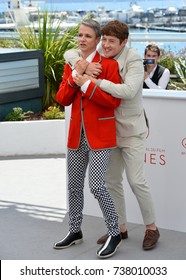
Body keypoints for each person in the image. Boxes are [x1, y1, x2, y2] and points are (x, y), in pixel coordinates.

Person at [64, 20, 160, 251]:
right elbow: (71, 51)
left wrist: (94, 80)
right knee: (111, 181)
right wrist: (79, 63)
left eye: (111, 42)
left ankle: (152, 228)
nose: (105, 45)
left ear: (124, 42)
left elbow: (128, 91)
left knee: (136, 180)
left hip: (131, 130)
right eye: (104, 40)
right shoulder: (98, 53)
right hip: (108, 132)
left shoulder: (133, 58)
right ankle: (120, 227)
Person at [53, 19, 122, 259]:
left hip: (100, 136)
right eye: (80, 35)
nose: (82, 39)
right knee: (73, 186)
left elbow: (112, 101)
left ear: (98, 40)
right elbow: (62, 99)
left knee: (97, 186)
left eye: (88, 36)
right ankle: (74, 230)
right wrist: (76, 76)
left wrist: (86, 85)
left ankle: (114, 232)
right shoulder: (73, 65)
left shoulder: (110, 66)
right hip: (76, 136)